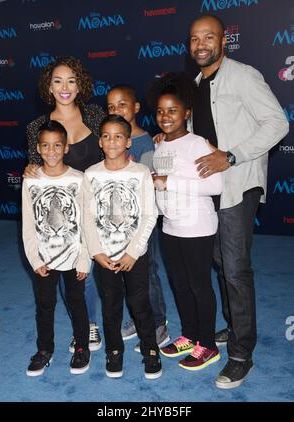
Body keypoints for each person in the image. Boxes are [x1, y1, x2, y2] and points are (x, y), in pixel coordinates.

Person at [188, 14, 289, 388]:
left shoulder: (244, 75)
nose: (201, 44)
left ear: (224, 40)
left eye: (208, 37)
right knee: (219, 261)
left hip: (238, 184)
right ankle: (233, 328)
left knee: (234, 269)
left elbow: (277, 123)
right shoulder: (196, 84)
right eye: (195, 38)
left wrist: (231, 156)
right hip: (210, 189)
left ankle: (241, 353)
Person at [24, 56, 106, 353]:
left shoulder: (95, 115)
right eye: (57, 81)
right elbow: (37, 170)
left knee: (98, 267)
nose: (65, 87)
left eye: (71, 80)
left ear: (80, 84)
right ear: (49, 86)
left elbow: (116, 142)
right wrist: (29, 169)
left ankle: (111, 320)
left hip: (100, 206)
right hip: (63, 217)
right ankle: (90, 325)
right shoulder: (38, 126)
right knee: (70, 271)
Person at [149, 72, 223, 372]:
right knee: (179, 285)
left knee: (199, 286)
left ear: (187, 113)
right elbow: (160, 184)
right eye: (161, 111)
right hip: (170, 227)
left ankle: (209, 345)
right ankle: (190, 336)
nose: (166, 117)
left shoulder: (198, 144)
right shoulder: (159, 145)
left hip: (197, 227)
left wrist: (171, 181)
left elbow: (215, 186)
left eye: (173, 110)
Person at [83, 114, 162, 379]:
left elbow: (150, 215)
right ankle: (114, 351)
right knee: (111, 305)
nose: (112, 141)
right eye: (106, 136)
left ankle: (151, 349)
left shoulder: (139, 173)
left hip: (134, 255)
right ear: (100, 142)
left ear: (128, 141)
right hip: (104, 256)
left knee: (140, 303)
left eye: (119, 136)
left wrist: (133, 251)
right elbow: (87, 217)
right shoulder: (91, 174)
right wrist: (96, 251)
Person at [22, 120, 91, 376]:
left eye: (57, 145)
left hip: (74, 256)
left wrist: (85, 259)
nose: (51, 151)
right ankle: (44, 350)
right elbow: (28, 224)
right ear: (38, 149)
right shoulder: (31, 180)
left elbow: (86, 223)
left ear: (66, 148)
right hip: (44, 258)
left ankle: (82, 347)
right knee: (44, 305)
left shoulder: (79, 179)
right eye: (45, 146)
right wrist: (34, 258)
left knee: (77, 303)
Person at [106, 85, 170, 352]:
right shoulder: (110, 140)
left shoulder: (149, 143)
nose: (116, 110)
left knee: (148, 271)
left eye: (122, 105)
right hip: (117, 220)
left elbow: (158, 184)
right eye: (110, 107)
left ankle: (158, 325)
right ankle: (137, 318)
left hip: (144, 219)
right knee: (124, 273)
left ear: (135, 108)